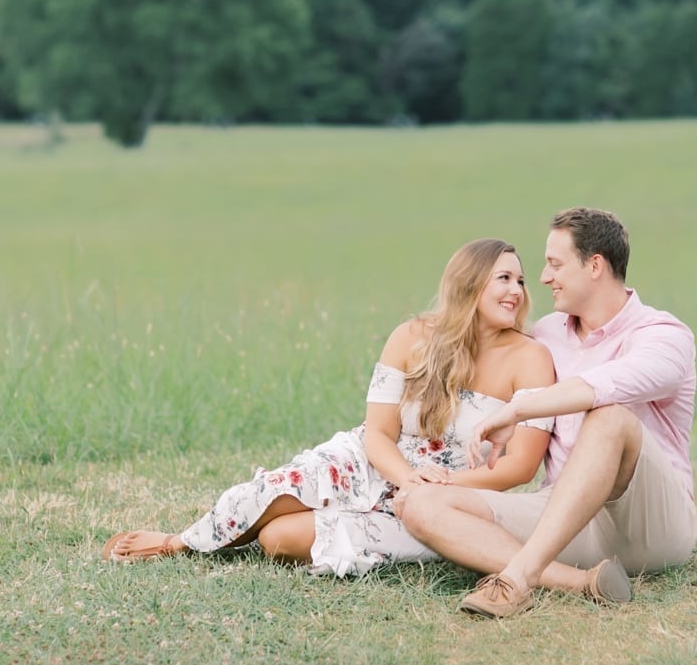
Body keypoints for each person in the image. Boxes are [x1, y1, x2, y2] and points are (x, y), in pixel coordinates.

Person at [101, 238, 556, 577]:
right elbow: (378, 432)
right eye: (504, 278)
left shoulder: (531, 358)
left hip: (444, 497)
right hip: (373, 461)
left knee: (279, 540)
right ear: (469, 284)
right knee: (274, 492)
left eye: (520, 280)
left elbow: (519, 468)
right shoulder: (411, 336)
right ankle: (178, 543)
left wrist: (436, 487)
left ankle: (255, 537)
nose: (517, 290)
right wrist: (406, 476)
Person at [394, 207, 697, 617]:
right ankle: (581, 583)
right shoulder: (547, 335)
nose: (543, 278)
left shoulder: (664, 336)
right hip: (567, 518)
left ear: (594, 266)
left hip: (651, 522)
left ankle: (516, 579)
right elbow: (484, 355)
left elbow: (603, 387)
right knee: (420, 502)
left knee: (609, 416)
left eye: (555, 264)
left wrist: (517, 411)